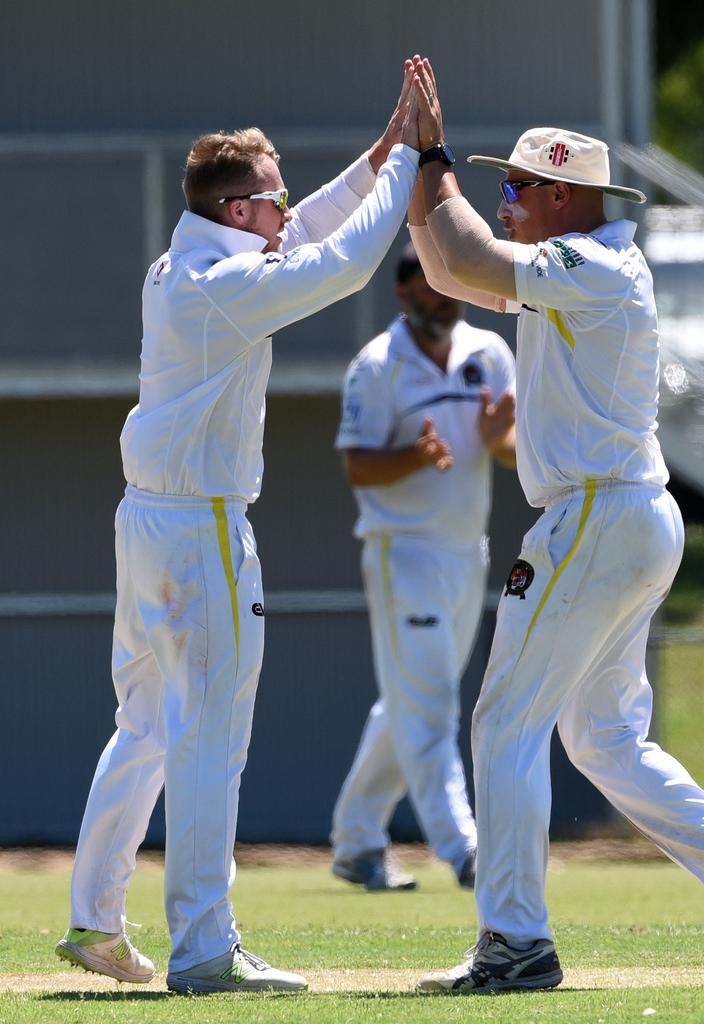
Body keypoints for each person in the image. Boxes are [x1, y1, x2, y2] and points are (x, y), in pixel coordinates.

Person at [54, 68, 425, 995]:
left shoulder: (194, 256)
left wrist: (379, 155)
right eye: (275, 195)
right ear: (237, 208)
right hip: (201, 531)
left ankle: (97, 921)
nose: (287, 206)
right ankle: (205, 948)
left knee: (143, 725)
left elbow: (303, 233)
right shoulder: (219, 284)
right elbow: (338, 266)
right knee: (208, 734)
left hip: (146, 523)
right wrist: (414, 161)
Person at [403, 55, 704, 993]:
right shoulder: (581, 266)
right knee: (603, 740)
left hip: (597, 516)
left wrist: (434, 153)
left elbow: (471, 256)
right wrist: (419, 170)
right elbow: (449, 264)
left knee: (504, 722)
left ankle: (516, 943)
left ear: (563, 194)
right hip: (625, 514)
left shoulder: (590, 261)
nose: (511, 199)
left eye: (520, 185)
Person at [330, 244, 516, 892]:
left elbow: (517, 452)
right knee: (431, 703)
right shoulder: (377, 367)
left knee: (410, 701)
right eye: (431, 292)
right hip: (400, 550)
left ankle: (356, 841)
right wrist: (412, 456)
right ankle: (465, 850)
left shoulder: (490, 353)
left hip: (468, 552)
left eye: (450, 291)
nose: (444, 302)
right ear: (404, 295)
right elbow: (358, 466)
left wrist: (499, 443)